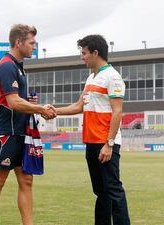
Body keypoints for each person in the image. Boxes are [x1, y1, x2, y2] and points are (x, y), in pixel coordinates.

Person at [55, 34, 130, 225]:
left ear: (95, 53)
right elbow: (79, 106)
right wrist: (53, 111)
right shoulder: (91, 78)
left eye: (84, 53)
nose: (82, 57)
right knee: (101, 192)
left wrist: (109, 144)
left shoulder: (112, 77)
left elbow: (117, 112)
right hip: (91, 142)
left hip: (105, 144)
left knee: (113, 189)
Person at [0, 24, 56, 225]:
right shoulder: (7, 65)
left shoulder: (18, 67)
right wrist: (41, 109)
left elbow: (19, 100)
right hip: (5, 133)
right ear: (18, 42)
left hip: (21, 132)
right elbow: (13, 102)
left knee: (26, 180)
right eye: (31, 42)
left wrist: (32, 105)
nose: (34, 46)